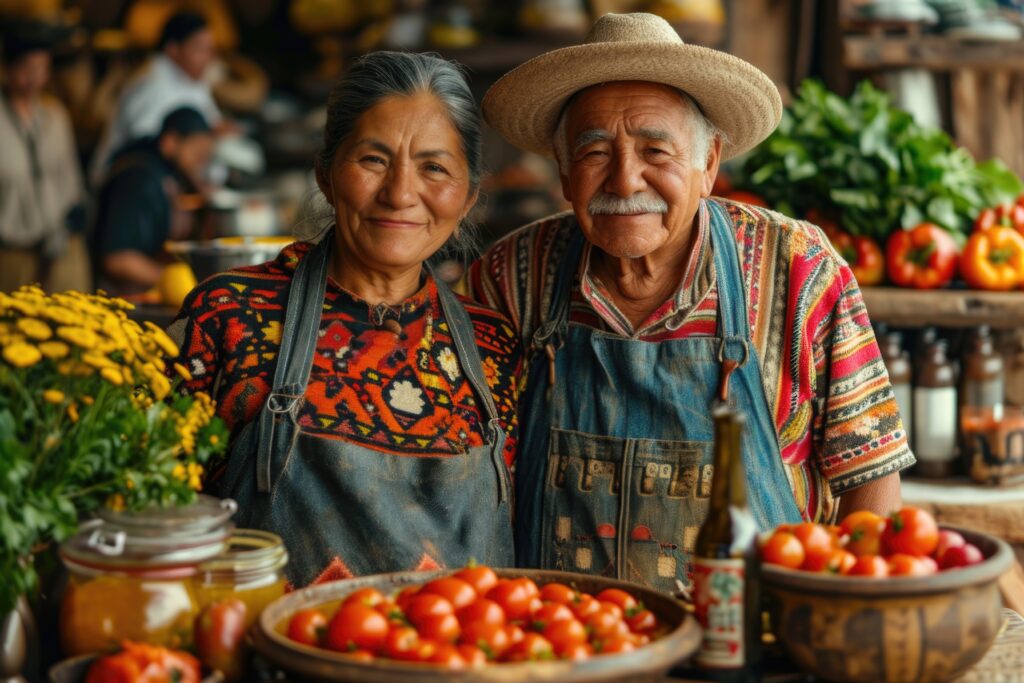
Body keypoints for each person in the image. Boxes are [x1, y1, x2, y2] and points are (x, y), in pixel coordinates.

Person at [467, 12, 915, 591]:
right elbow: (470, 476)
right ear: (563, 170)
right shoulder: (509, 276)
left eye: (656, 151)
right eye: (595, 152)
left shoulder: (797, 267)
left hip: (755, 638)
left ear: (708, 164)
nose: (625, 180)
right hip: (566, 643)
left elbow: (869, 474)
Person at [170, 51, 519, 588]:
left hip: (457, 662)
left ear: (468, 194)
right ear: (326, 174)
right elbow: (155, 517)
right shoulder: (230, 316)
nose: (400, 193)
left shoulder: (494, 346)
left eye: (434, 168)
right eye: (374, 160)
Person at [0, 20, 89, 293]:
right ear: (7, 68)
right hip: (12, 254)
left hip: (62, 249)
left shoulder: (55, 116)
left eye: (41, 69)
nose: (33, 79)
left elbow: (72, 180)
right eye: (26, 69)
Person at [88, 10, 221, 187]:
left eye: (209, 50)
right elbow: (144, 151)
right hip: (129, 190)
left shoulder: (192, 79)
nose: (207, 58)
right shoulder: (150, 86)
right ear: (173, 50)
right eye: (199, 49)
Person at [91, 106, 213, 296]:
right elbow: (116, 259)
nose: (201, 162)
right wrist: (172, 281)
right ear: (170, 142)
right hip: (122, 299)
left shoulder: (171, 174)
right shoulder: (137, 179)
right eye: (196, 152)